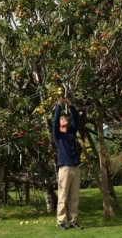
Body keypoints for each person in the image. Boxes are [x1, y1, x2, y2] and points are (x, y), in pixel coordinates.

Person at [52, 96, 83, 230]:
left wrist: (70, 105)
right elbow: (54, 122)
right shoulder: (57, 136)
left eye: (65, 118)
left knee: (74, 196)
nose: (64, 119)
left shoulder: (71, 133)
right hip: (64, 169)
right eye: (62, 118)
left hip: (75, 168)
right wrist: (59, 105)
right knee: (63, 196)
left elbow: (76, 119)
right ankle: (60, 222)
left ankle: (73, 221)